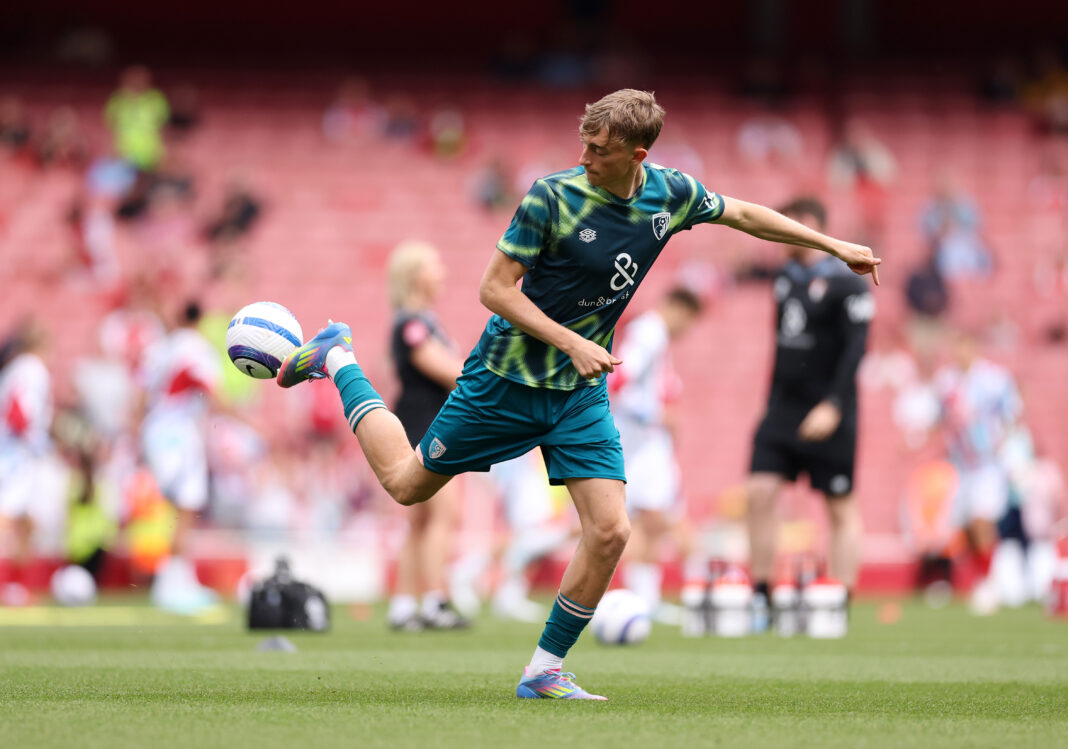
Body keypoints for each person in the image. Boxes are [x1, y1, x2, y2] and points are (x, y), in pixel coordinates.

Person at [276, 90, 880, 700]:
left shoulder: (670, 193)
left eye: (600, 149)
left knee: (611, 530)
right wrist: (571, 341)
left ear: (637, 155)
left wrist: (835, 247)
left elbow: (744, 215)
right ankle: (338, 358)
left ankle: (543, 669)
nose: (586, 157)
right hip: (504, 381)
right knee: (407, 485)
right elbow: (494, 290)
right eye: (584, 143)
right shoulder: (552, 197)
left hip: (578, 394)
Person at [745, 197, 875, 627]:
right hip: (782, 408)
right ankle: (761, 598)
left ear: (808, 225)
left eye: (787, 223)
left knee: (839, 505)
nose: (780, 232)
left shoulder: (848, 284)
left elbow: (856, 350)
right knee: (759, 493)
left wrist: (834, 404)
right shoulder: (785, 277)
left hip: (829, 408)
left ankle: (839, 601)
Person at [382, 241, 470, 631]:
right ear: (415, 275)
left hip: (422, 424)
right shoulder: (411, 323)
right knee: (442, 514)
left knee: (419, 519)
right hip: (425, 426)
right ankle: (435, 601)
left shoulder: (422, 321)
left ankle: (403, 605)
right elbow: (448, 371)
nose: (442, 273)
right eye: (434, 266)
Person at [610, 286, 704, 621]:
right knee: (657, 517)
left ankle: (646, 597)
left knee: (648, 519)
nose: (686, 329)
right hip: (642, 442)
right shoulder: (649, 333)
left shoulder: (653, 336)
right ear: (679, 310)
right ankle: (690, 595)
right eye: (689, 321)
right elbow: (618, 380)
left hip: (641, 441)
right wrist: (655, 414)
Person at [931, 326, 1023, 614]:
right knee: (967, 526)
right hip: (961, 465)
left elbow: (1013, 414)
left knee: (982, 520)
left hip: (987, 464)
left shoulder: (994, 379)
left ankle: (990, 584)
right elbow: (939, 417)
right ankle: (983, 579)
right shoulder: (946, 382)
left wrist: (1003, 445)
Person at [139, 301, 222, 614]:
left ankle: (176, 577)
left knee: (172, 507)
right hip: (179, 431)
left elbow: (141, 392)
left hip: (156, 429)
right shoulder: (198, 349)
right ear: (200, 320)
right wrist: (253, 423)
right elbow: (211, 391)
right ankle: (171, 583)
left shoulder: (161, 348)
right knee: (186, 506)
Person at [0, 323, 53, 605]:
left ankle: (14, 586)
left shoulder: (14, 368)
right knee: (7, 517)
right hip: (16, 453)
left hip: (17, 451)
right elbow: (18, 409)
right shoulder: (31, 368)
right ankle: (10, 584)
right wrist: (34, 440)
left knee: (27, 520)